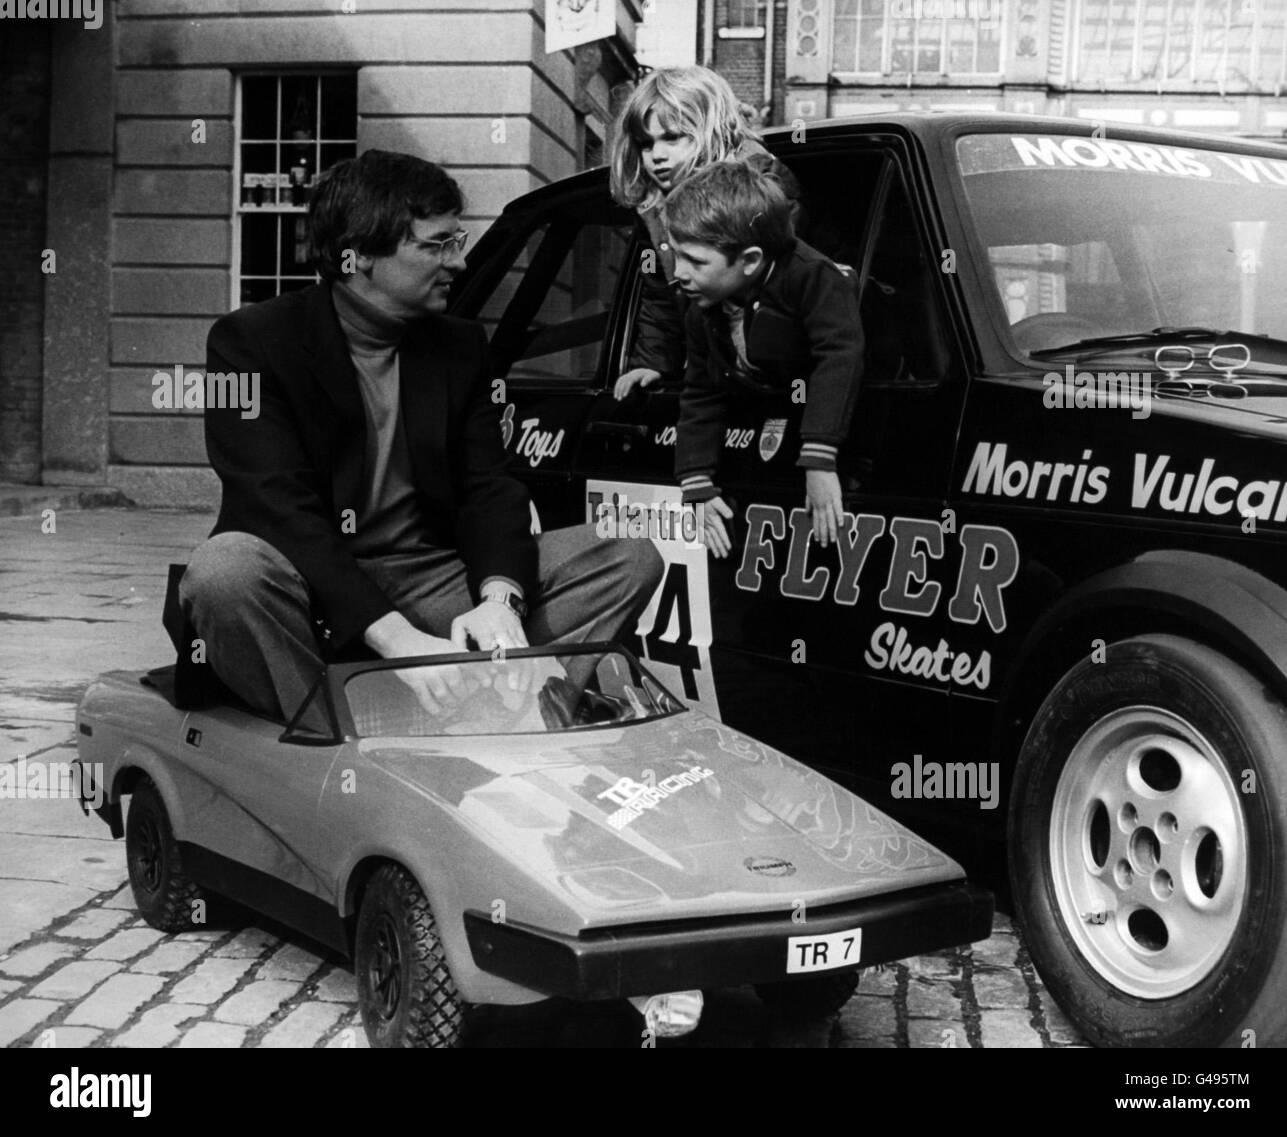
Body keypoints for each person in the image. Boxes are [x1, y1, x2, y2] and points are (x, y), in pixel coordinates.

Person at [171, 150, 663, 723]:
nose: (457, 263)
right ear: (360, 257)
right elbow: (275, 507)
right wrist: (398, 640)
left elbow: (489, 487)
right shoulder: (249, 342)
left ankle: (503, 716)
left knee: (628, 556)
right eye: (436, 245)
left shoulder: (458, 345)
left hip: (429, 576)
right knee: (223, 572)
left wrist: (501, 601)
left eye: (457, 240)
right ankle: (331, 730)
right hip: (307, 582)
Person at [665, 160, 864, 555]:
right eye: (675, 255)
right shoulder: (700, 308)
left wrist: (820, 461)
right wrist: (697, 484)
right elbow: (701, 392)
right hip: (761, 449)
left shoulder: (814, 278)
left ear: (750, 261)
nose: (678, 273)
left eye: (695, 261)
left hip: (835, 439)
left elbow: (840, 356)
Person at [608, 66, 797, 401]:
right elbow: (661, 298)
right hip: (717, 376)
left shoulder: (761, 192)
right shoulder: (654, 211)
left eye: (671, 137)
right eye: (645, 143)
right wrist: (655, 364)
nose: (657, 156)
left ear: (711, 130)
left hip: (778, 374)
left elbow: (795, 288)